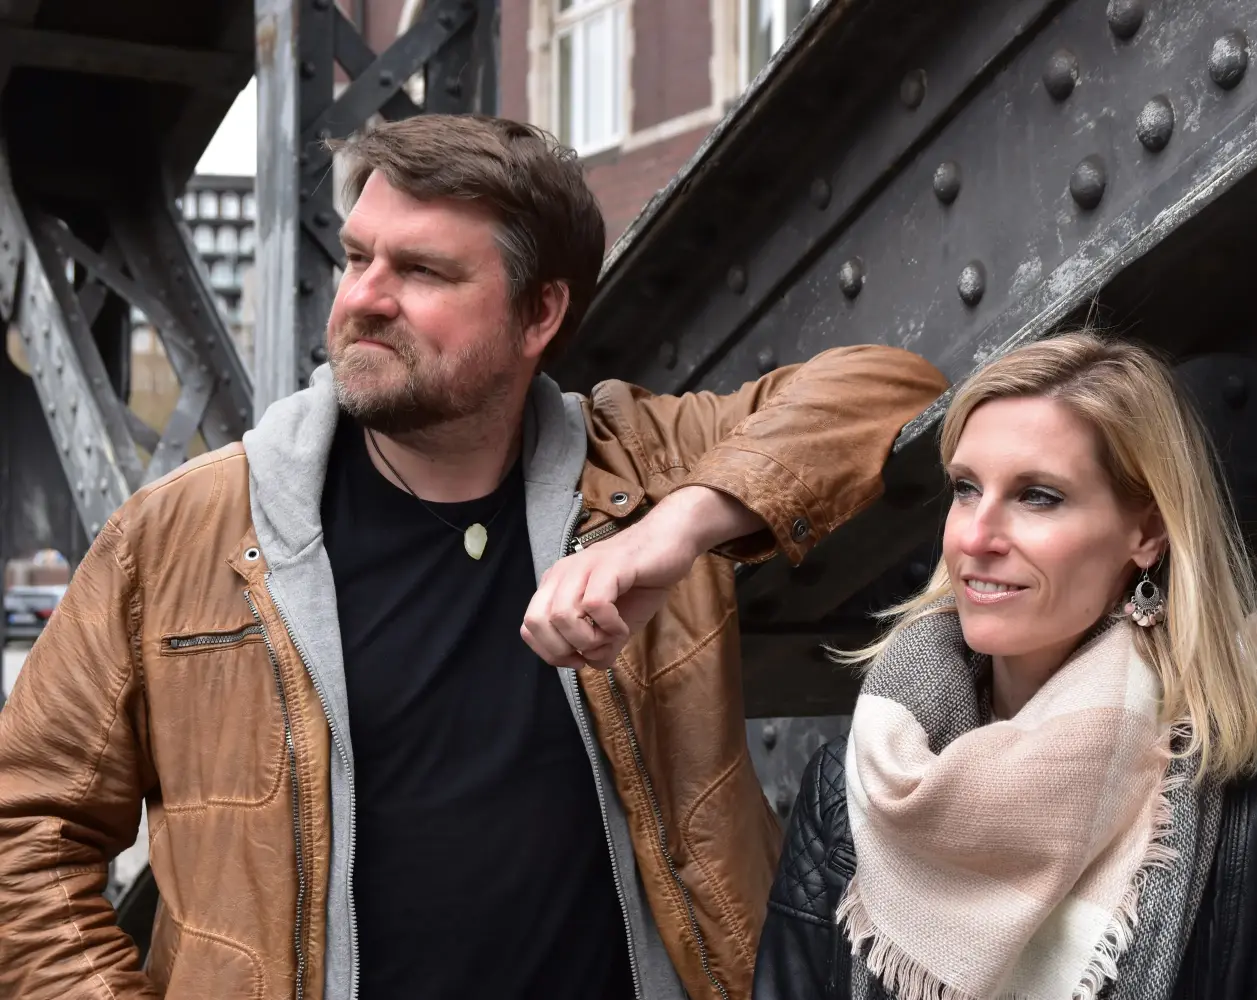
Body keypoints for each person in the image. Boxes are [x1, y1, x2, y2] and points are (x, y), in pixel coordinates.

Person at [0, 115, 947, 1000]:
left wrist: (677, 529)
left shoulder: (643, 467)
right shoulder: (177, 535)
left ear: (539, 315)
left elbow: (889, 386)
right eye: (357, 257)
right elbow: (25, 831)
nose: (363, 298)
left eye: (421, 271)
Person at [753, 332, 1257, 1000]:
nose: (975, 536)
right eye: (966, 489)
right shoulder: (855, 779)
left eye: (1038, 496)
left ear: (1146, 533)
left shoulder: (1245, 790)